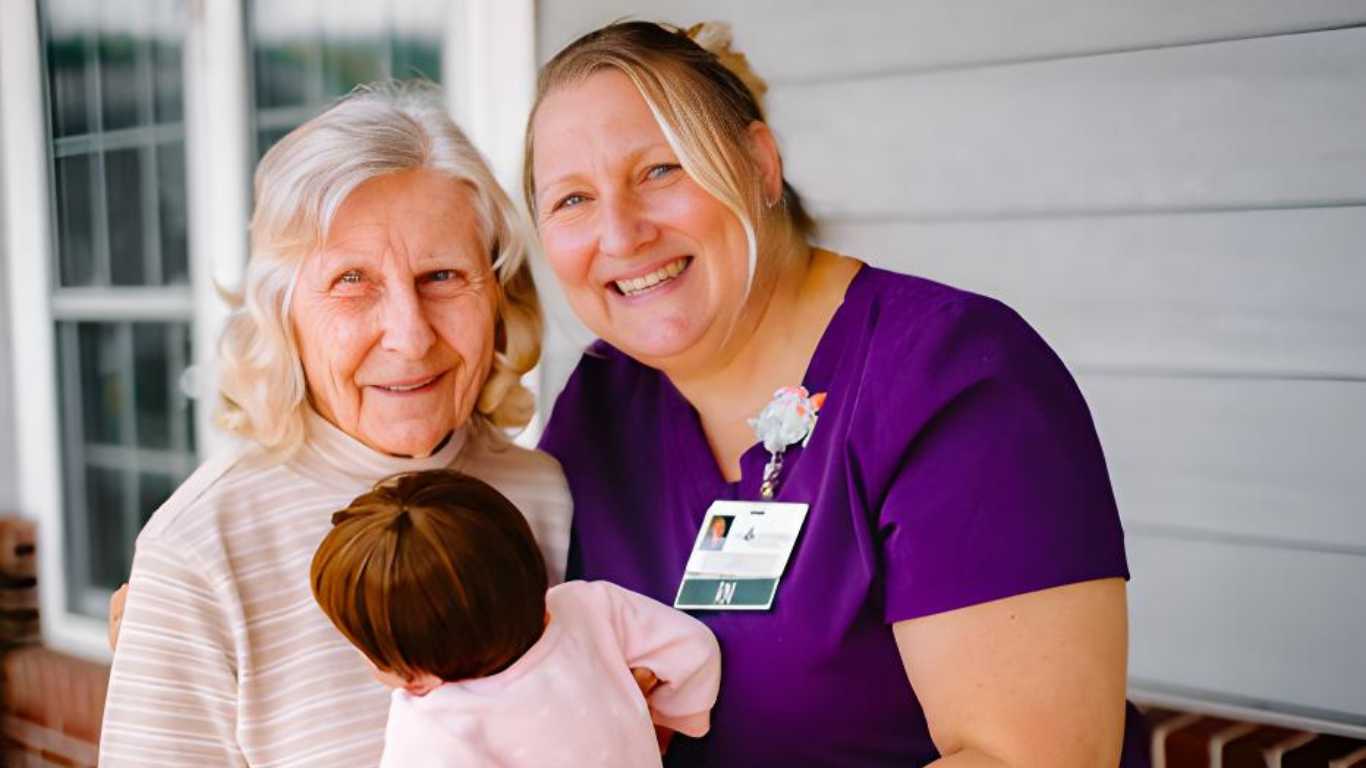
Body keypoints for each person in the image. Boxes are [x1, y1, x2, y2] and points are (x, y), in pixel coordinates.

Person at [528, 21, 1150, 767]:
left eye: (661, 170)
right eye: (571, 200)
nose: (621, 234)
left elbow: (1029, 758)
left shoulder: (956, 377)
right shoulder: (604, 406)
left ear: (760, 165)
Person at [98, 82, 572, 767]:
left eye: (442, 275)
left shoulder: (544, 497)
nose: (409, 337)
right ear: (283, 314)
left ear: (498, 296)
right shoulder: (202, 550)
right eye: (353, 282)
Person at [310, 469, 721, 768]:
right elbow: (694, 647)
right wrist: (668, 723)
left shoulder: (437, 727)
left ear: (416, 678)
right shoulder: (590, 610)